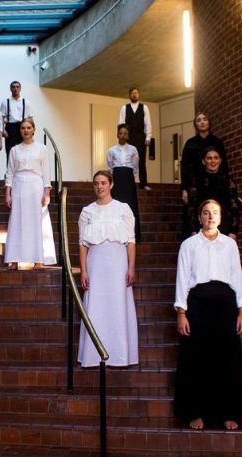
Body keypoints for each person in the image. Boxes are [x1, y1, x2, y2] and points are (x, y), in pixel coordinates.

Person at [174, 199, 242, 431]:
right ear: (199, 217)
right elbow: (182, 278)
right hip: (197, 304)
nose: (210, 217)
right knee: (197, 358)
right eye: (206, 213)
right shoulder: (189, 245)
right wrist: (181, 312)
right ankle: (195, 412)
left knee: (227, 358)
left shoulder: (230, 245)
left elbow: (237, 277)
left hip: (225, 304)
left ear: (221, 216)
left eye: (215, 212)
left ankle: (230, 412)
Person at [77, 170, 138, 368]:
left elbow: (130, 241)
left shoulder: (123, 209)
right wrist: (84, 270)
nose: (100, 186)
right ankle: (92, 355)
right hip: (96, 262)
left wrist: (131, 267)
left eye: (103, 182)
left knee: (118, 304)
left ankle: (120, 354)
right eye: (96, 183)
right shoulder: (87, 211)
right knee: (96, 305)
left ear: (111, 185)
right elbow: (82, 244)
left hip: (118, 262)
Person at [4, 117, 56, 270]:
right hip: (19, 186)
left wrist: (47, 192)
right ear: (20, 131)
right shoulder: (14, 150)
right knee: (17, 220)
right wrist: (8, 193)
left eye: (28, 128)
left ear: (34, 130)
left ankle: (38, 259)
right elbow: (10, 173)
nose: (25, 130)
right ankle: (13, 259)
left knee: (37, 221)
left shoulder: (42, 149)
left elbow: (46, 172)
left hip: (36, 186)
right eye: (23, 128)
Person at [182, 146, 239, 238]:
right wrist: (193, 230)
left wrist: (233, 231)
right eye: (209, 158)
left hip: (223, 227)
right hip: (201, 228)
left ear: (220, 161)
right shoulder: (196, 181)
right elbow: (192, 207)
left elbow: (234, 208)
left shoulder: (228, 181)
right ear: (203, 161)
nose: (213, 161)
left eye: (216, 158)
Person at [107, 124, 141, 242]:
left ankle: (132, 234)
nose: (123, 135)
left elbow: (135, 166)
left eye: (125, 133)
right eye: (121, 133)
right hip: (117, 177)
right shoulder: (111, 150)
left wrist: (132, 177)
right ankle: (115, 233)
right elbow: (110, 166)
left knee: (130, 205)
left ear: (128, 136)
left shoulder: (133, 149)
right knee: (116, 203)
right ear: (117, 134)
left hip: (128, 178)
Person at [118, 87, 152, 191]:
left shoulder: (144, 107)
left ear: (139, 95)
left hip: (141, 137)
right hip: (128, 137)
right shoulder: (124, 108)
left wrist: (148, 136)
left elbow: (148, 123)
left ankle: (144, 183)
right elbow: (121, 123)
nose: (134, 95)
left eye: (136, 93)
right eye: (132, 93)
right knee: (127, 160)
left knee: (142, 160)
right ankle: (127, 182)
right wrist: (121, 136)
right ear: (129, 95)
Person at [0, 80, 34, 163]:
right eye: (13, 87)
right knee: (10, 151)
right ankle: (9, 174)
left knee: (23, 150)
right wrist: (3, 130)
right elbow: (1, 117)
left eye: (17, 87)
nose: (15, 88)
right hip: (10, 127)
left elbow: (30, 118)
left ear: (20, 89)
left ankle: (22, 172)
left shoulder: (26, 101)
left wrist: (31, 131)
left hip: (22, 127)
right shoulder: (5, 102)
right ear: (10, 89)